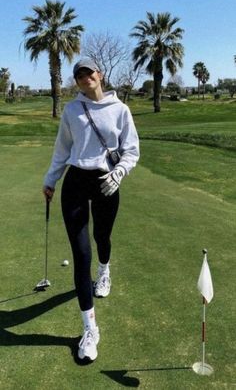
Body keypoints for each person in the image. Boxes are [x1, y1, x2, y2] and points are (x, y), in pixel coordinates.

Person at [43, 58, 139, 362]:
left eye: (89, 72)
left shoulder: (120, 110)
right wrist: (50, 180)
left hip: (106, 181)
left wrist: (120, 173)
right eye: (79, 75)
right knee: (81, 255)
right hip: (75, 183)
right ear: (76, 81)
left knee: (102, 237)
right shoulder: (72, 110)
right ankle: (89, 330)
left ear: (100, 75)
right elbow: (62, 149)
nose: (85, 78)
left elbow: (131, 150)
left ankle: (105, 270)